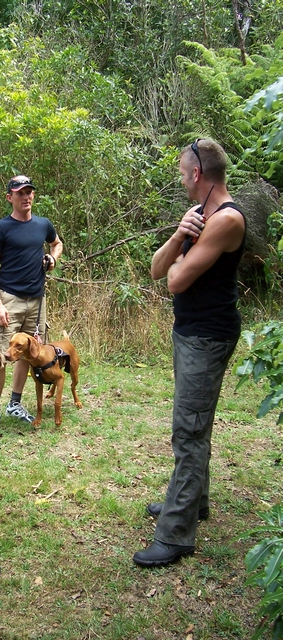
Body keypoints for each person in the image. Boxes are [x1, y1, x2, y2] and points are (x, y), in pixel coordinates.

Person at [133, 139, 246, 568]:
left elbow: (176, 281)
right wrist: (180, 233)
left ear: (197, 174)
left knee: (189, 431)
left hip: (209, 336)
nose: (181, 180)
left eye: (182, 173)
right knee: (195, 423)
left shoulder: (227, 218)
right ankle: (194, 502)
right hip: (190, 332)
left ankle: (177, 534)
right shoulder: (198, 217)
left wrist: (180, 261)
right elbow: (158, 268)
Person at [0, 175, 63, 432]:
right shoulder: (0, 228)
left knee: (30, 353)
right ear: (10, 197)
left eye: (29, 192)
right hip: (10, 300)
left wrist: (53, 257)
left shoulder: (43, 224)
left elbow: (57, 243)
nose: (26, 197)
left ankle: (14, 403)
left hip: (37, 301)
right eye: (19, 193)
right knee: (0, 356)